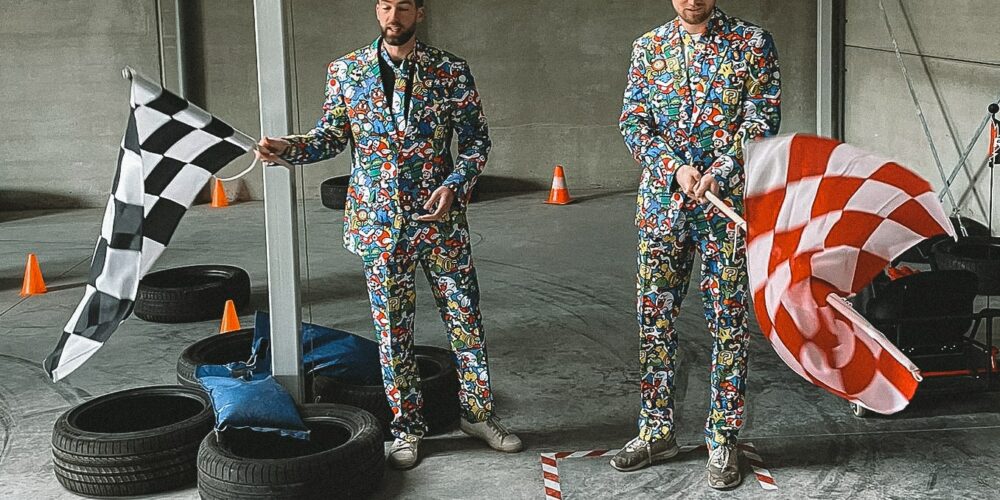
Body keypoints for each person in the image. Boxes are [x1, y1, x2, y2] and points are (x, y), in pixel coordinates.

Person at [256, 0, 522, 470]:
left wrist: (454, 185)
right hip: (379, 224)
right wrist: (288, 149)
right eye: (384, 6)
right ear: (377, 12)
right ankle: (406, 429)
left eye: (402, 7)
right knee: (393, 331)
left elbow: (476, 141)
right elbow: (330, 137)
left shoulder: (450, 70)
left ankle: (478, 415)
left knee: (465, 318)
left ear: (419, 12)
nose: (392, 16)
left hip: (439, 223)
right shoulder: (347, 71)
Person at [613, 0, 781, 489]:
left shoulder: (752, 43)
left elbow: (761, 119)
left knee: (729, 324)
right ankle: (656, 431)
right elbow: (633, 122)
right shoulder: (649, 47)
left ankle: (723, 440)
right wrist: (675, 168)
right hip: (662, 210)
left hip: (726, 212)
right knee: (654, 322)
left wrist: (720, 171)